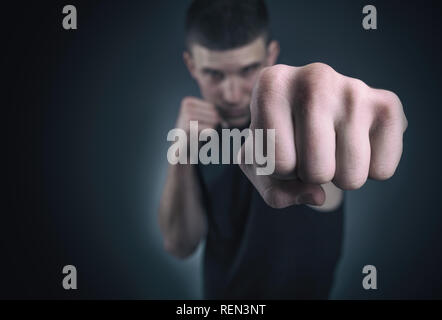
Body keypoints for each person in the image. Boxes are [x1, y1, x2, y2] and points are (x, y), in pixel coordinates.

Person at [158, 0, 407, 299]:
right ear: (192, 66)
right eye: (214, 74)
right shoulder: (198, 137)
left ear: (270, 57)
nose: (232, 93)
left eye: (248, 69)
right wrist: (181, 153)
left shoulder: (290, 125)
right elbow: (180, 244)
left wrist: (323, 104)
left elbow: (317, 125)